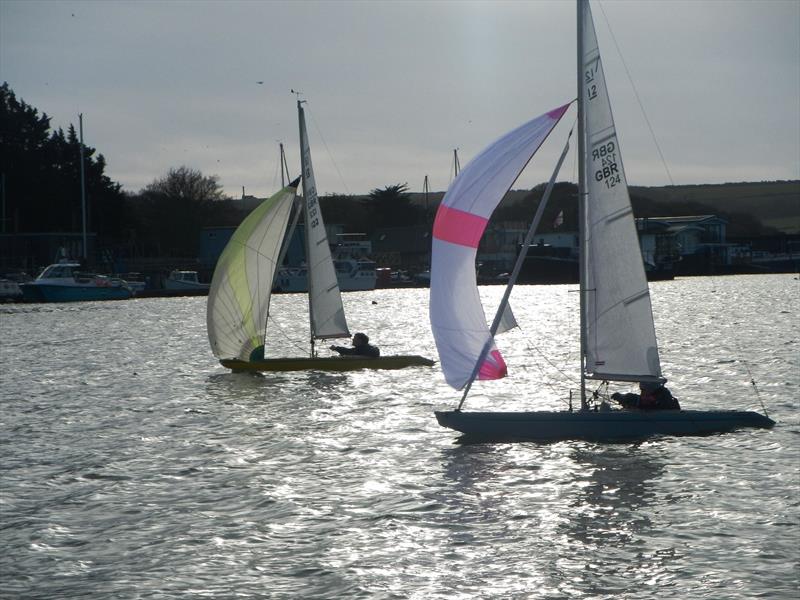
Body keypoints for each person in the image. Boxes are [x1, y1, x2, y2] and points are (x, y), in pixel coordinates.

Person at [612, 381, 680, 410]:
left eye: (644, 391)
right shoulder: (637, 398)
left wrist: (655, 401)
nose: (643, 394)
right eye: (642, 391)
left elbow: (670, 405)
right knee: (630, 397)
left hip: (660, 410)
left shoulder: (664, 394)